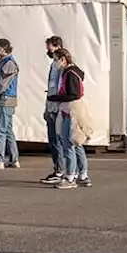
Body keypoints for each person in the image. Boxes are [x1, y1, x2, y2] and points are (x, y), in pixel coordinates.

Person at [47, 48, 91, 189]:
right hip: (70, 109)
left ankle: (70, 176)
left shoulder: (70, 73)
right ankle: (83, 175)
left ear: (63, 60)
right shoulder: (71, 71)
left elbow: (74, 94)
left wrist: (55, 98)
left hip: (71, 110)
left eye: (55, 59)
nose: (54, 63)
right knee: (76, 142)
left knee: (68, 143)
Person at [0, 38, 20, 169]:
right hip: (5, 99)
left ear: (3, 48)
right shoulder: (4, 62)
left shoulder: (9, 64)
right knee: (7, 130)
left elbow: (1, 84)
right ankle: (13, 158)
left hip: (4, 100)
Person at [42, 36, 67, 184]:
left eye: (49, 47)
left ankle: (60, 170)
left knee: (56, 139)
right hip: (52, 105)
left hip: (56, 107)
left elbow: (57, 88)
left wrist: (53, 107)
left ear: (56, 46)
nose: (47, 50)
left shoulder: (59, 65)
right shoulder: (54, 64)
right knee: (53, 140)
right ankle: (58, 168)